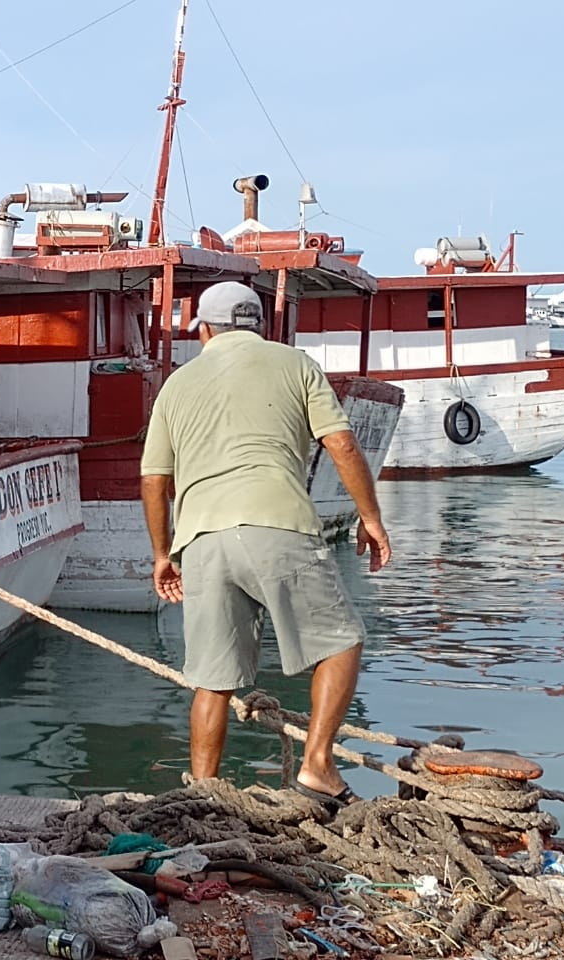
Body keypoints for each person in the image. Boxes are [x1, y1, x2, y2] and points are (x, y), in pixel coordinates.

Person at [140, 281, 391, 812]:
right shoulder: (296, 364)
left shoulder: (177, 384)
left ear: (204, 329)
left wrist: (163, 555)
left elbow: (154, 480)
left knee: (212, 681)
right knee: (341, 642)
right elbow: (341, 443)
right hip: (278, 525)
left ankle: (204, 799)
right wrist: (370, 518)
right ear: (258, 324)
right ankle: (318, 766)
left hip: (202, 540)